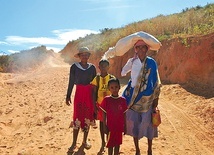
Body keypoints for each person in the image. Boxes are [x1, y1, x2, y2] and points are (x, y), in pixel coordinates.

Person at [121, 40, 161, 155]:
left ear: (147, 49)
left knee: (148, 123)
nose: (141, 50)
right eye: (139, 48)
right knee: (134, 123)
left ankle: (149, 149)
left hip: (148, 98)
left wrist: (156, 98)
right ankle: (137, 150)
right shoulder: (132, 61)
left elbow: (156, 81)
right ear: (135, 49)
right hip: (133, 97)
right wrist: (130, 64)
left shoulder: (152, 62)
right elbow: (123, 72)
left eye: (144, 48)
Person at [66, 47, 97, 154]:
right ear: (79, 56)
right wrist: (68, 95)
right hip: (79, 93)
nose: (84, 56)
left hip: (89, 94)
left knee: (87, 116)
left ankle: (84, 140)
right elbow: (71, 81)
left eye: (86, 54)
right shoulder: (74, 67)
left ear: (88, 56)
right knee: (77, 117)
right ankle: (74, 143)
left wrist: (95, 98)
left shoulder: (92, 67)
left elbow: (94, 84)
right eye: (82, 54)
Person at [91, 59, 115, 154]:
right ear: (99, 67)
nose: (104, 68)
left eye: (106, 66)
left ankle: (108, 140)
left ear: (108, 67)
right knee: (102, 124)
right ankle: (103, 141)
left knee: (110, 124)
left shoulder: (112, 78)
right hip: (100, 105)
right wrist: (94, 105)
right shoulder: (96, 79)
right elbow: (94, 93)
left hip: (110, 106)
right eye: (102, 66)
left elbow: (115, 91)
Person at [100, 78, 128, 155]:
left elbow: (124, 114)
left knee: (117, 144)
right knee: (110, 145)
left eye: (116, 87)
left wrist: (125, 126)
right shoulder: (106, 100)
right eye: (112, 88)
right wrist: (104, 126)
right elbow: (104, 114)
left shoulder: (123, 100)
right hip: (110, 127)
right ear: (109, 89)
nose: (114, 89)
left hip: (119, 127)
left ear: (119, 87)